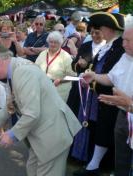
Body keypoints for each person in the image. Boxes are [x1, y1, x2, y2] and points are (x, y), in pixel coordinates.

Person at [0, 44, 81, 176]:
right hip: (42, 137)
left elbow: (32, 114)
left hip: (52, 137)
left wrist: (11, 134)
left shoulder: (22, 72)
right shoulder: (14, 70)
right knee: (32, 170)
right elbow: (11, 106)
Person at [73, 12, 125, 176]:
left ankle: (97, 167)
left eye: (101, 27)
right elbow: (99, 70)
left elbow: (112, 77)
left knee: (106, 132)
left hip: (112, 98)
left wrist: (93, 78)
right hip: (99, 97)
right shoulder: (109, 46)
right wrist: (89, 76)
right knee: (99, 130)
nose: (99, 31)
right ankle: (93, 165)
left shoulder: (118, 48)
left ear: (108, 29)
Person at [82, 25, 133, 176]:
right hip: (122, 115)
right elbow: (111, 78)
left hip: (127, 110)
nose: (123, 44)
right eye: (123, 40)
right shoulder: (125, 56)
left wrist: (129, 103)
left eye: (128, 41)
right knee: (122, 159)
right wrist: (94, 76)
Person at [35, 31, 75, 102]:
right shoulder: (43, 53)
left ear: (60, 43)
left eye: (55, 42)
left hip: (59, 90)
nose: (53, 44)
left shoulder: (66, 57)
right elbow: (35, 68)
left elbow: (72, 76)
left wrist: (60, 80)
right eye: (51, 42)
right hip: (43, 88)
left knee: (56, 111)